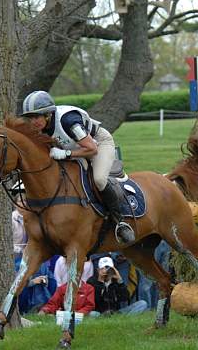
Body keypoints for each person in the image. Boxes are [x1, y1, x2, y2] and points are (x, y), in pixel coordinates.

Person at [20, 90, 134, 244]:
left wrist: (66, 154)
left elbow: (91, 149)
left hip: (98, 144)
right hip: (76, 149)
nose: (33, 122)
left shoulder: (68, 121)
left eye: (36, 117)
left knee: (99, 179)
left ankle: (120, 221)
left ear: (48, 114)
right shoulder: (39, 129)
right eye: (30, 118)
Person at [12, 198, 27, 263]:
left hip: (29, 257)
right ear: (15, 204)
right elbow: (7, 243)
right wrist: (21, 250)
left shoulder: (32, 217)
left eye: (25, 200)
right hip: (14, 258)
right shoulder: (11, 219)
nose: (24, 203)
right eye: (20, 201)